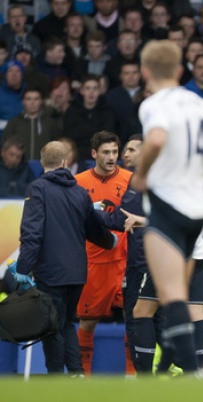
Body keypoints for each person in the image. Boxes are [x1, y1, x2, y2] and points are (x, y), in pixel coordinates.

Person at [130, 39, 203, 374]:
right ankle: (174, 368)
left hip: (168, 208)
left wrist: (142, 174)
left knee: (169, 298)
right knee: (178, 299)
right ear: (181, 70)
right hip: (198, 213)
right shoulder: (200, 105)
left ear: (144, 72)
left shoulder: (154, 104)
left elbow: (155, 139)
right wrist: (202, 169)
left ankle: (198, 373)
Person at [14, 141, 116, 375]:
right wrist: (110, 241)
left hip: (51, 272)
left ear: (42, 162)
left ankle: (56, 379)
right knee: (67, 324)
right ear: (65, 162)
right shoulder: (80, 192)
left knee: (52, 328)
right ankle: (77, 373)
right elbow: (93, 228)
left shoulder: (38, 189)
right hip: (77, 273)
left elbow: (32, 233)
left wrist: (23, 268)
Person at [75, 130, 132, 376]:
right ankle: (82, 375)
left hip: (126, 262)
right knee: (87, 322)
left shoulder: (131, 180)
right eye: (106, 152)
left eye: (115, 152)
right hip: (93, 263)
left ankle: (133, 376)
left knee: (135, 319)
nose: (111, 157)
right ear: (94, 154)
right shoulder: (78, 182)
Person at [3, 87, 62, 160]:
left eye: (36, 99)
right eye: (29, 99)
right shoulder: (13, 123)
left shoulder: (51, 123)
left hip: (45, 168)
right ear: (23, 101)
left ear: (41, 101)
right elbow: (5, 146)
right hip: (20, 169)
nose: (32, 102)